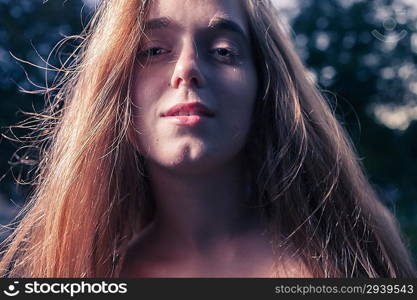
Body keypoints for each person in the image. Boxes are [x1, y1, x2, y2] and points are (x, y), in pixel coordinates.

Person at [0, 0, 416, 278]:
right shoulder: (66, 272)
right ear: (113, 91)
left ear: (264, 89)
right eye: (153, 51)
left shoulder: (352, 265)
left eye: (222, 50)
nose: (187, 69)